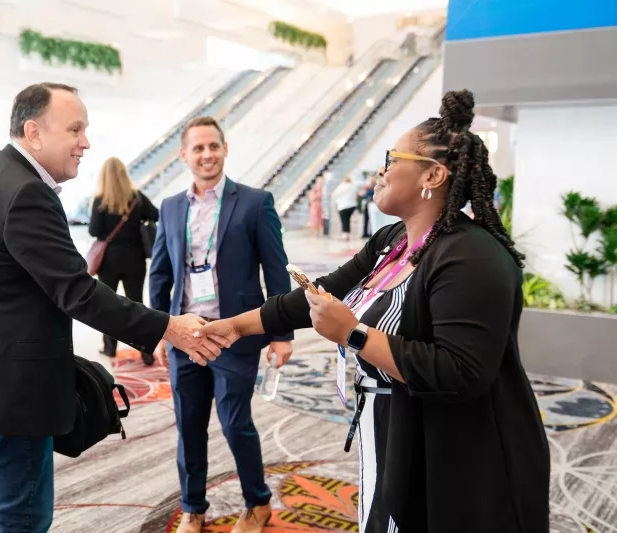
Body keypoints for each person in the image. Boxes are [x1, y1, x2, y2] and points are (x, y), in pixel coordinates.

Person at [196, 90, 550, 533]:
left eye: (391, 158)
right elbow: (318, 295)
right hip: (391, 426)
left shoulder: (471, 258)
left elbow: (461, 372)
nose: (381, 172)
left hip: (460, 453)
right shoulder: (392, 241)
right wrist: (235, 326)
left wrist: (354, 334)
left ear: (433, 175)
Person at [0, 82, 222, 533]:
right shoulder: (27, 192)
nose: (85, 142)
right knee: (19, 515)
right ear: (34, 132)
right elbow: (78, 292)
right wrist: (169, 328)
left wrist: (3, 297)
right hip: (9, 389)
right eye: (75, 129)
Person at [149, 116, 294, 533]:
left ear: (225, 149)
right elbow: (160, 274)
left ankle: (258, 502)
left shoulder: (254, 202)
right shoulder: (171, 207)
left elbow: (276, 270)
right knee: (189, 426)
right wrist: (158, 329)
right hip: (185, 335)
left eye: (213, 146)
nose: (207, 154)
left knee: (234, 423)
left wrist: (281, 333)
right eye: (198, 148)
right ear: (184, 155)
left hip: (234, 334)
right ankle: (193, 507)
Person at [88, 156, 159, 364]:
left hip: (109, 261)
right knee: (137, 305)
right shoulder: (136, 197)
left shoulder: (100, 201)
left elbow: (94, 230)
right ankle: (145, 352)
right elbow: (155, 214)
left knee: (108, 305)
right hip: (135, 259)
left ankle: (109, 347)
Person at [333, 175, 357, 240]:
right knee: (348, 220)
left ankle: (345, 235)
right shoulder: (353, 186)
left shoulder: (342, 186)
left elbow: (335, 193)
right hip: (352, 205)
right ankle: (347, 234)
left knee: (344, 220)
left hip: (343, 206)